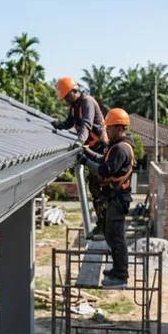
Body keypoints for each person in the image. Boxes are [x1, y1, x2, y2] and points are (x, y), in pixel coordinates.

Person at [78, 108, 135, 288]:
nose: (106, 131)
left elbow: (104, 170)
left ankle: (121, 274)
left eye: (109, 128)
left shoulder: (121, 149)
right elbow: (104, 160)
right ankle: (117, 269)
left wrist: (86, 162)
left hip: (118, 199)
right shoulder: (116, 146)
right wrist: (88, 153)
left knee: (117, 237)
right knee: (111, 234)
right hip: (115, 198)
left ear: (119, 128)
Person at [51, 77, 108, 236]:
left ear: (74, 91)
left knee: (102, 189)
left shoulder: (87, 102)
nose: (66, 100)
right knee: (95, 188)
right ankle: (101, 224)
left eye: (68, 96)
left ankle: (106, 225)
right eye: (65, 98)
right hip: (90, 149)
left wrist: (79, 141)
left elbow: (86, 125)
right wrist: (58, 125)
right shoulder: (74, 107)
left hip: (100, 149)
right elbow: (70, 123)